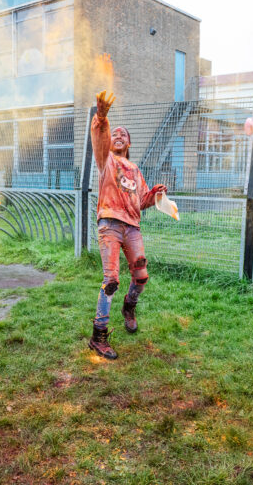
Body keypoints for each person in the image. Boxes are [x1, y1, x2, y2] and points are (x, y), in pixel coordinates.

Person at [88, 90, 167, 359]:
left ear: (130, 142)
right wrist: (101, 117)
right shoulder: (105, 161)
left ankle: (129, 307)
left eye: (124, 134)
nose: (119, 136)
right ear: (110, 142)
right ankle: (98, 336)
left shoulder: (134, 169)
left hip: (132, 227)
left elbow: (141, 200)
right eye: (115, 134)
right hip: (110, 223)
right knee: (111, 280)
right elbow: (99, 138)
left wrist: (153, 194)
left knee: (141, 276)